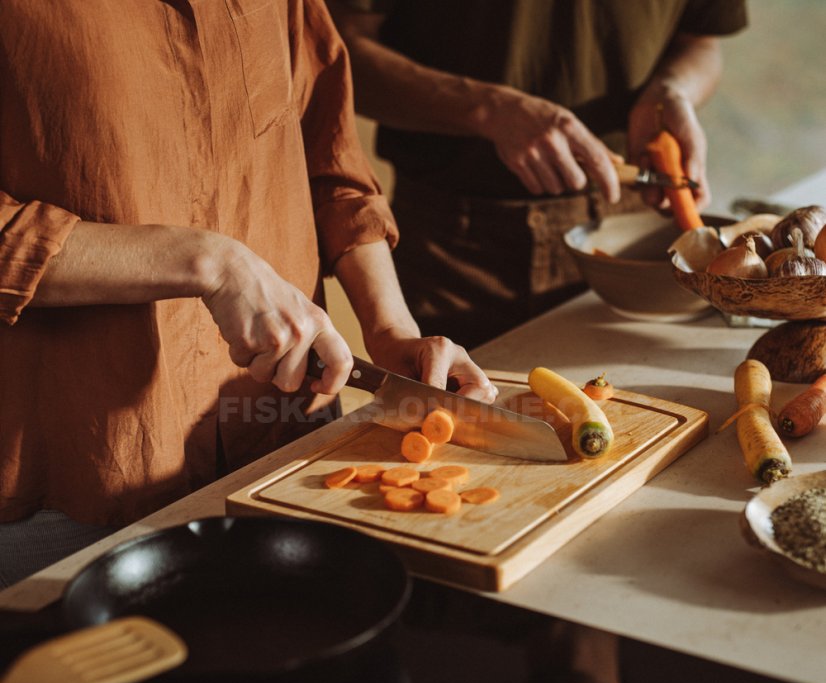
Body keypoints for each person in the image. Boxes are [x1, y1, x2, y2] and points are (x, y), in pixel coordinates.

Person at [0, 0, 496, 586]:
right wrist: (206, 261)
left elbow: (329, 158)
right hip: (78, 471)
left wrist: (391, 331)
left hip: (287, 437)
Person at [325, 0, 748, 348]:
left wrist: (674, 90)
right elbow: (335, 51)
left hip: (635, 234)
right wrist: (484, 108)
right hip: (455, 245)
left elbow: (701, 41)